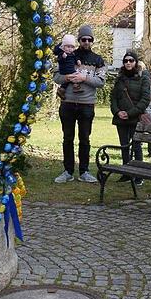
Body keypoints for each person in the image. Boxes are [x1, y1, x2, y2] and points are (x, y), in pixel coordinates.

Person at [52, 24, 105, 184]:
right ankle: (67, 171)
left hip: (87, 104)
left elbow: (101, 81)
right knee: (67, 138)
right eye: (83, 39)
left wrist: (84, 78)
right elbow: (56, 76)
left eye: (89, 39)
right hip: (68, 103)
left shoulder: (98, 60)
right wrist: (67, 78)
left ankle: (84, 171)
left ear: (92, 41)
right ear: (79, 40)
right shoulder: (67, 54)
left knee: (85, 139)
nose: (86, 42)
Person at [110, 50, 151, 185]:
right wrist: (117, 112)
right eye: (126, 61)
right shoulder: (120, 77)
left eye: (131, 60)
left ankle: (139, 175)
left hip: (135, 117)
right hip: (121, 117)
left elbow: (145, 99)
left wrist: (131, 112)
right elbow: (114, 97)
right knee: (124, 146)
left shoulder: (143, 77)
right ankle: (126, 173)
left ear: (136, 62)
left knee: (136, 145)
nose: (128, 63)